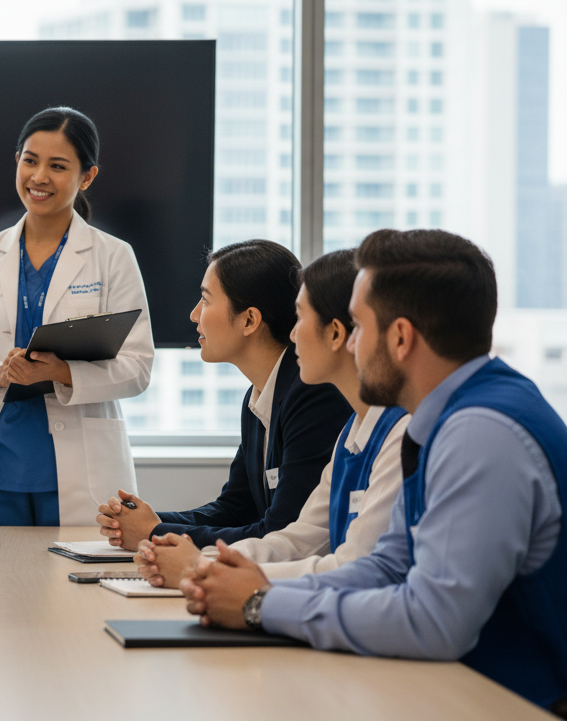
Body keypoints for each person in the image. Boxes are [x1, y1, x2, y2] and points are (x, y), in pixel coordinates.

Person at [180, 229, 567, 709]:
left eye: (357, 326)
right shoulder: (440, 419)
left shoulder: (479, 431)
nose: (350, 344)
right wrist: (256, 588)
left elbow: (434, 622)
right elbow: (385, 567)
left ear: (400, 337)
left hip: (529, 702)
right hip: (472, 688)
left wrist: (260, 604)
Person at [0, 107, 155, 526]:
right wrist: (2, 373)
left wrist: (62, 372)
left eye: (57, 166)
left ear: (86, 177)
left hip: (81, 469)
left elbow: (137, 367)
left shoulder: (113, 257)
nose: (39, 177)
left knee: (78, 589)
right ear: (16, 161)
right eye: (30, 160)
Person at [134, 249, 407, 589]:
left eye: (301, 319)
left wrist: (197, 564)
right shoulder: (350, 430)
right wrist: (199, 561)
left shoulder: (388, 427)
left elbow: (352, 567)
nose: (292, 335)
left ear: (338, 334)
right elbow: (297, 539)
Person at [96, 240, 351, 548]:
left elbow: (278, 532)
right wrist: (148, 522)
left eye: (205, 300)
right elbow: (235, 509)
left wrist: (154, 532)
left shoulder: (312, 395)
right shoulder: (258, 396)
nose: (194, 315)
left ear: (249, 320)